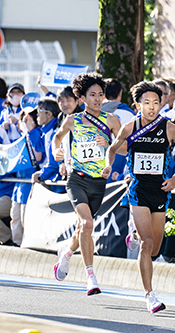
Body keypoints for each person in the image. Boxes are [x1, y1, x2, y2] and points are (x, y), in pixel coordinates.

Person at [102, 81, 175, 313]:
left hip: (160, 190)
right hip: (138, 189)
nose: (151, 107)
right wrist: (107, 166)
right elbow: (113, 149)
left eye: (155, 102)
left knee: (155, 249)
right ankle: (149, 295)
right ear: (138, 105)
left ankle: (133, 232)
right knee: (147, 243)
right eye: (146, 103)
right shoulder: (130, 127)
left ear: (161, 103)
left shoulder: (169, 127)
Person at [52, 73, 121, 295]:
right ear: (82, 98)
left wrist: (109, 142)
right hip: (77, 179)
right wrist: (57, 151)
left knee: (84, 226)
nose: (98, 99)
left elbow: (125, 148)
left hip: (98, 181)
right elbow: (57, 137)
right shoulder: (73, 120)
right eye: (92, 95)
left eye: (101, 95)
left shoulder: (111, 120)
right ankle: (90, 277)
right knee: (87, 223)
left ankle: (66, 254)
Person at [10, 108, 44, 245]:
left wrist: (31, 131)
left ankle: (26, 250)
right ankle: (16, 246)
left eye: (29, 117)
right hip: (19, 185)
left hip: (31, 183)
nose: (25, 120)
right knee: (15, 218)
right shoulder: (21, 137)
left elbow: (39, 157)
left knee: (26, 220)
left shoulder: (38, 134)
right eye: (23, 117)